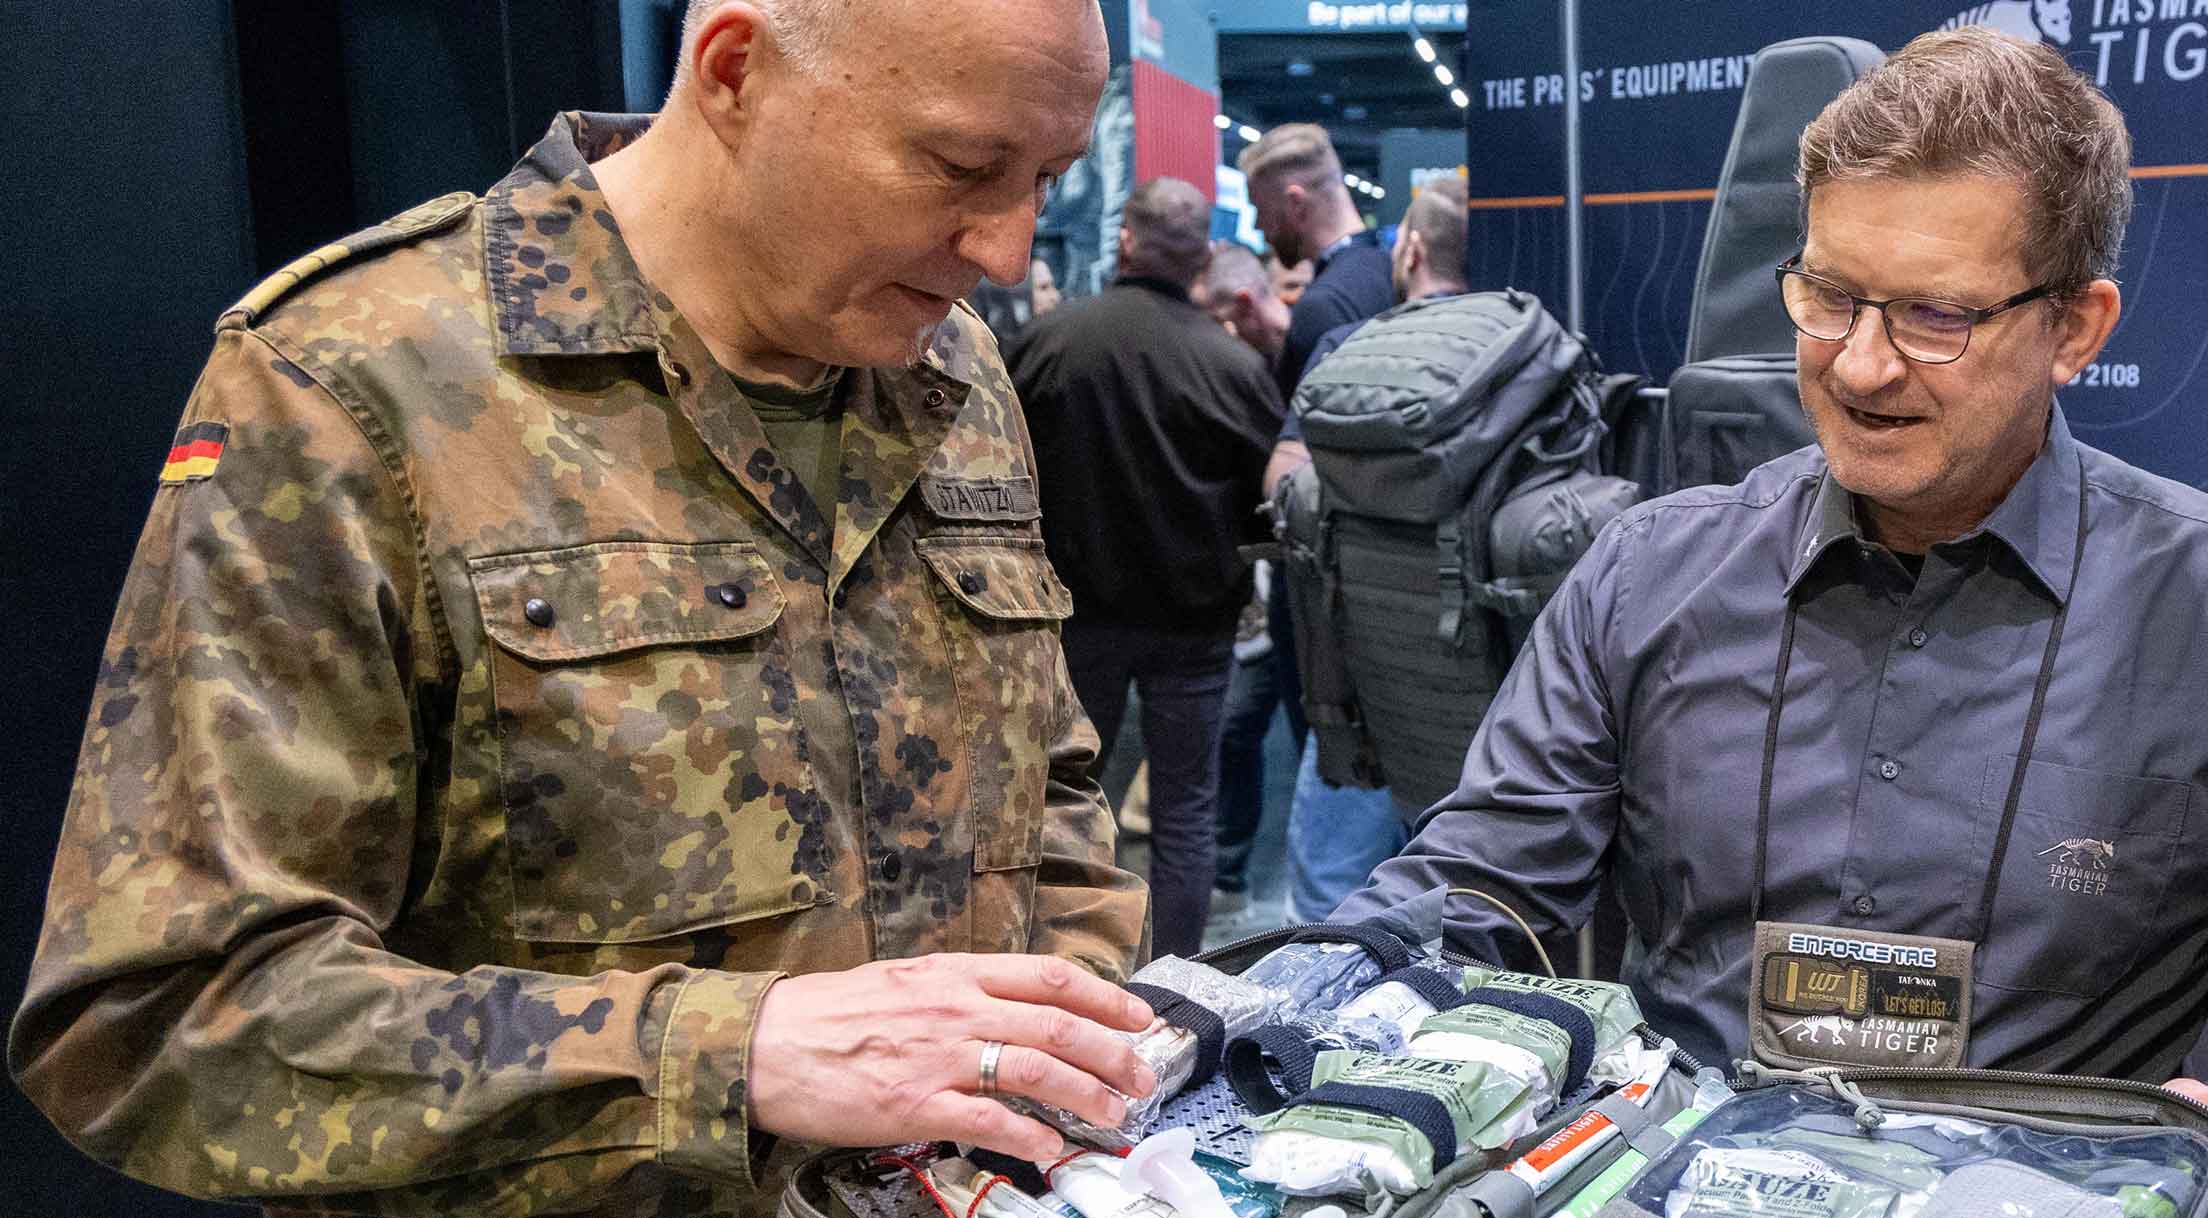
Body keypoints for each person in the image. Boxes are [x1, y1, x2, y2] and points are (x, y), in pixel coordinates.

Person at [8, 2, 1161, 1215]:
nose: (1009, 249)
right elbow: (156, 1021)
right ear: (734, 74)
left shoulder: (955, 377)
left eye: (1047, 178)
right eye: (966, 168)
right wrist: (730, 1056)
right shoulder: (354, 385)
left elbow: (1050, 787)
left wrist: (1061, 1043)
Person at [1338, 28, 2208, 1091]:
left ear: (2076, 330)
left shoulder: (2189, 606)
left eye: (1937, 316)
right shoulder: (1647, 578)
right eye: (1830, 296)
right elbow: (1476, 885)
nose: (1863, 364)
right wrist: (1270, 1002)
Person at [1006, 179, 1284, 958]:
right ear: (1200, 257)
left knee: (1066, 796)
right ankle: (1177, 979)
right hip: (1194, 626)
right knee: (1186, 808)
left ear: (1125, 239)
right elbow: (1270, 494)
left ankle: (1074, 966)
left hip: (1073, 616)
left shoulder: (1051, 341)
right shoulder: (1228, 364)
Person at [1277, 177, 1472, 922]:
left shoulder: (1350, 345)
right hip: (1485, 677)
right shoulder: (1531, 346)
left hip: (1360, 676)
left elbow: (1287, 486)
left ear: (1412, 248)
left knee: (1331, 895)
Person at [1193, 241, 1297, 920]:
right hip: (1258, 592)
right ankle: (1231, 869)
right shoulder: (1237, 371)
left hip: (1287, 587)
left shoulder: (1290, 357)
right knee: (1237, 729)